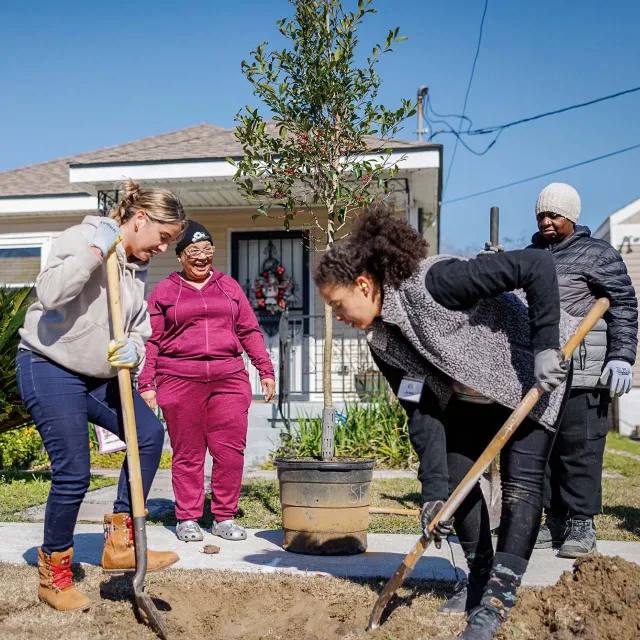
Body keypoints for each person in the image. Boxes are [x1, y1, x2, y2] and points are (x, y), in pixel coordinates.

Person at [314, 206, 575, 640]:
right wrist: (434, 496)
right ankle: (479, 579)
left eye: (338, 305)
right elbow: (421, 411)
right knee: (457, 479)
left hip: (529, 374)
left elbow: (536, 264)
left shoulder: (436, 282)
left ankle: (497, 601)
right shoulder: (382, 341)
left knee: (521, 485)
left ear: (363, 284)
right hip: (469, 394)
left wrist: (547, 343)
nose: (338, 317)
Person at [16, 180, 187, 612]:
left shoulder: (136, 268)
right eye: (163, 237)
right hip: (48, 363)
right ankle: (53, 572)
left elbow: (139, 329)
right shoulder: (82, 237)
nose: (165, 248)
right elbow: (50, 294)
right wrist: (95, 251)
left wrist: (136, 348)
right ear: (140, 218)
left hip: (99, 375)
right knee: (74, 470)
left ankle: (119, 540)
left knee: (148, 436)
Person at [138, 221, 276, 543]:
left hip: (229, 378)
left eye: (207, 250)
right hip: (178, 378)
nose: (202, 257)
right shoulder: (164, 292)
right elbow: (151, 342)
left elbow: (249, 330)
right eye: (194, 251)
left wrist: (265, 369)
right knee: (188, 452)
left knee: (230, 451)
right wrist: (147, 384)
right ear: (180, 256)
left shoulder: (229, 287)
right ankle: (187, 517)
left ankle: (224, 516)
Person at [528, 183, 638, 557]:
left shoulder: (598, 254)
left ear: (571, 216)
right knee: (545, 450)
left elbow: (623, 304)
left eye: (553, 215)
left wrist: (622, 356)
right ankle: (554, 520)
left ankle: (581, 522)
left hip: (585, 372)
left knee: (581, 448)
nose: (546, 221)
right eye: (541, 214)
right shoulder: (531, 255)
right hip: (543, 373)